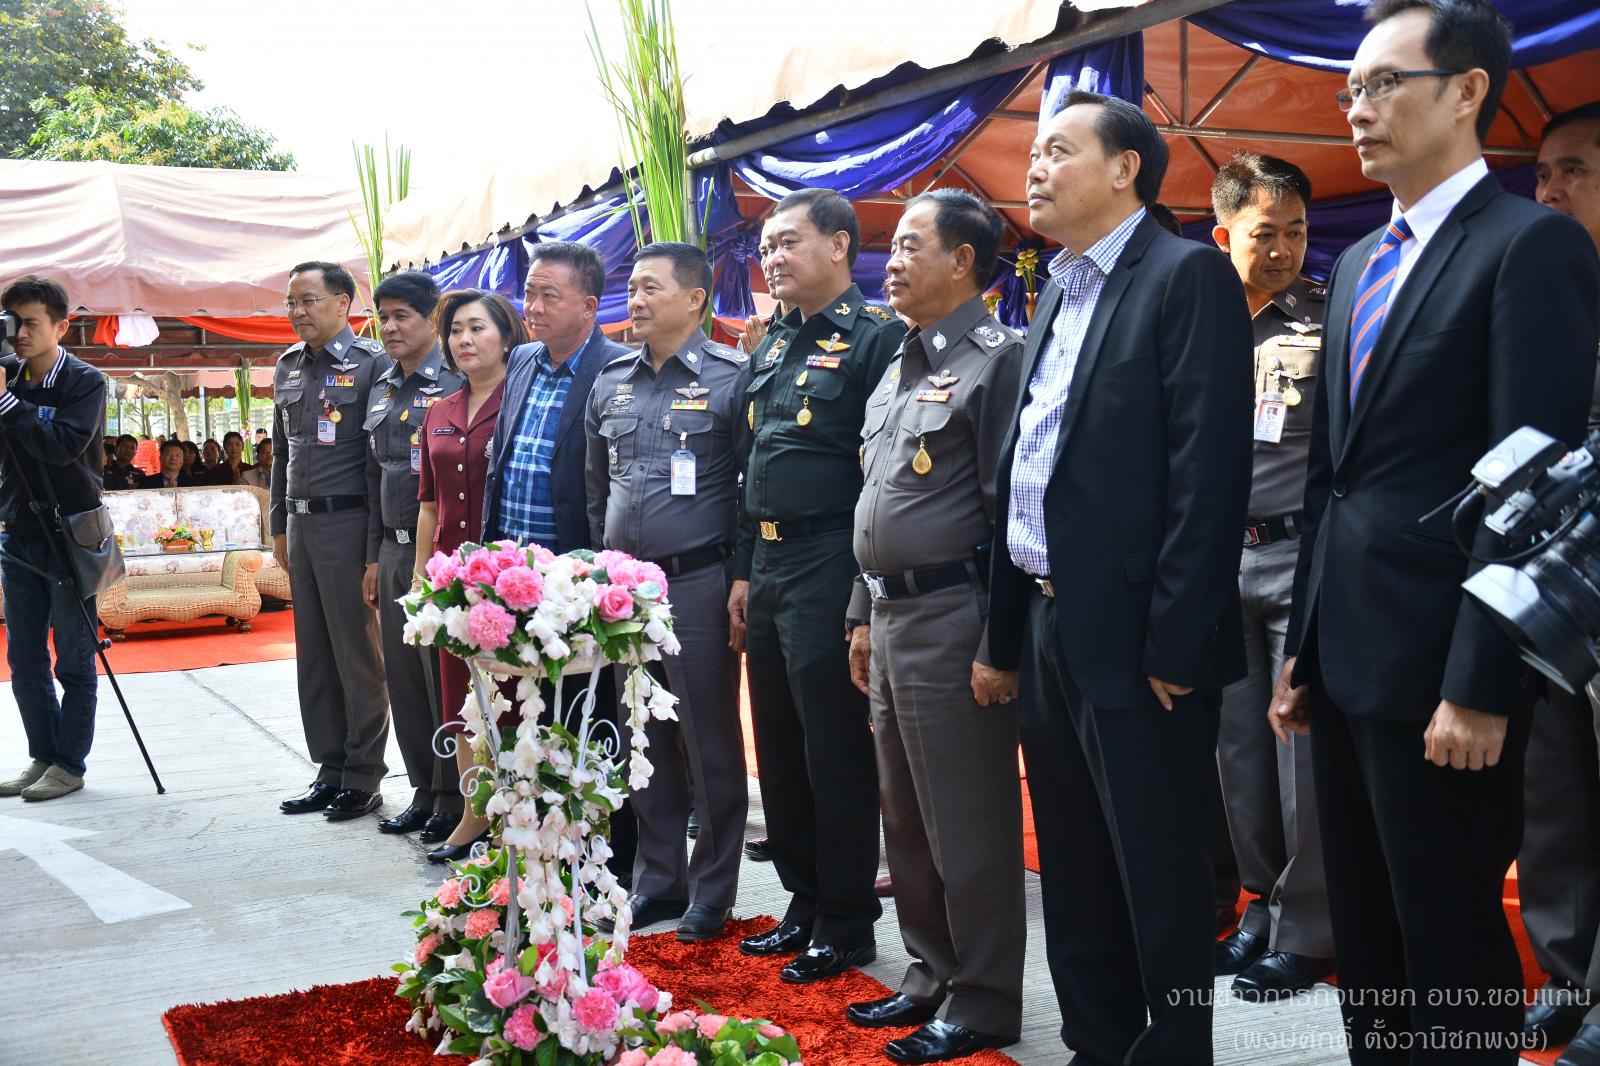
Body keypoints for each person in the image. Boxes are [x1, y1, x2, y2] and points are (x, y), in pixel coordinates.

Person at [1268, 4, 1600, 1061]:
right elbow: (1330, 477)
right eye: (1349, 90)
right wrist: (1302, 651)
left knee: (1447, 941)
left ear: (1465, 92)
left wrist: (1480, 682)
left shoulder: (1529, 245)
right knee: (1368, 944)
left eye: (1381, 84)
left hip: (1445, 669)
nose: (1356, 110)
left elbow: (1532, 486)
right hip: (1346, 657)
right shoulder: (1361, 259)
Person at [986, 91, 1253, 1064]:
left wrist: (1176, 643)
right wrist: (1004, 637)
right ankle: (1098, 1043)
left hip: (1142, 638)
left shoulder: (1186, 276)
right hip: (1051, 623)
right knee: (1074, 864)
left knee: (1160, 873)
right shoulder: (1058, 289)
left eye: (1058, 150)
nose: (1035, 169)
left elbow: (1206, 473)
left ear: (1125, 168)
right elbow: (1030, 469)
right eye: (1034, 153)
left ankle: (1176, 1048)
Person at [841, 189, 1026, 1064]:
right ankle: (930, 974)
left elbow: (1011, 514)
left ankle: (984, 1000)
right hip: (888, 614)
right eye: (894, 246)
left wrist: (1001, 643)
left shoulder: (999, 361)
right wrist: (860, 612)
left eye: (913, 245)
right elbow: (876, 497)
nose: (893, 260)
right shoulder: (900, 359)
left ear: (963, 260)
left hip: (956, 617)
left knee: (966, 822)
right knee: (906, 818)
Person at [729, 187, 906, 982]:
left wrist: (863, 592)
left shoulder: (875, 339)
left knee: (833, 746)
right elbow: (754, 464)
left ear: (838, 245)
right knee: (778, 743)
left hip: (829, 558)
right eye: (767, 246)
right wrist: (742, 570)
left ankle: (846, 916)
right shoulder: (772, 342)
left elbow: (883, 475)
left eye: (788, 242)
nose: (773, 257)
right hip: (767, 563)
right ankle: (802, 899)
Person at [584, 243, 749, 943]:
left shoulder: (732, 378)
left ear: (696, 298)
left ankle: (712, 890)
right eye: (632, 287)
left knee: (707, 741)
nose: (637, 300)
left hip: (698, 581)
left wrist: (740, 575)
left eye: (651, 287)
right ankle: (659, 882)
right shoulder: (611, 381)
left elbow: (753, 490)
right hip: (627, 587)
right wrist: (604, 570)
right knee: (642, 736)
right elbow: (596, 489)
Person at [1207, 152, 1336, 1000]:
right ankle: (1262, 902)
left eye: (1296, 231)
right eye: (1265, 233)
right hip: (1220, 560)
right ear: (1223, 237)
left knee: (1302, 754)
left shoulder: (1326, 320)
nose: (1284, 249)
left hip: (1298, 556)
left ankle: (1312, 925)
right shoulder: (1193, 325)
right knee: (1239, 753)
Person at [482, 240, 636, 881]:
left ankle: (609, 858)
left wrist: (600, 571)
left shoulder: (617, 368)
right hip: (517, 578)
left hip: (577, 576)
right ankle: (543, 847)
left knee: (591, 715)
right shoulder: (521, 360)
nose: (534, 307)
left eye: (551, 296)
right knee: (530, 715)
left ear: (590, 307)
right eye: (530, 294)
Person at [1522, 99, 1600, 1066]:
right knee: (1555, 797)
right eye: (1541, 172)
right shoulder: (1541, 296)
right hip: (1547, 588)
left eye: (1573, 170)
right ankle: (1565, 980)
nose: (1547, 191)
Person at [272, 260, 393, 823]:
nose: (297, 312)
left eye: (308, 300)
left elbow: (380, 465)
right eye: (291, 302)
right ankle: (330, 769)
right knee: (314, 655)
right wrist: (278, 525)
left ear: (343, 303)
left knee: (356, 654)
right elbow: (281, 454)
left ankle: (363, 775)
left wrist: (373, 552)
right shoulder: (288, 365)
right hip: (301, 528)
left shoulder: (373, 365)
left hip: (349, 526)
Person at [415, 289, 524, 863]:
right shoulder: (439, 410)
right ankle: (473, 814)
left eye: (477, 328)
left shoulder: (522, 402)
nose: (464, 339)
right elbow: (428, 503)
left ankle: (517, 818)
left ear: (506, 336)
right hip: (452, 577)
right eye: (455, 330)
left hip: (509, 578)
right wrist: (422, 577)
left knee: (510, 697)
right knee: (462, 699)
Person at [362, 271, 465, 843]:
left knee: (440, 679)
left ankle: (454, 797)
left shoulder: (455, 380)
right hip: (392, 549)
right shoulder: (382, 384)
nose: (390, 327)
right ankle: (423, 790)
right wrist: (373, 556)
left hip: (440, 551)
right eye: (384, 317)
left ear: (432, 319)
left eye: (403, 315)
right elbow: (374, 476)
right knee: (403, 680)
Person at [0, 275, 108, 802]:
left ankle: (69, 763)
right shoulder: (10, 377)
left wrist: (6, 404)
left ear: (61, 327)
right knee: (24, 658)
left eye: (31, 323)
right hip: (19, 532)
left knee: (73, 657)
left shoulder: (85, 382)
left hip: (71, 533)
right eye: (12, 323)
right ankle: (42, 755)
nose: (20, 333)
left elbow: (63, 446)